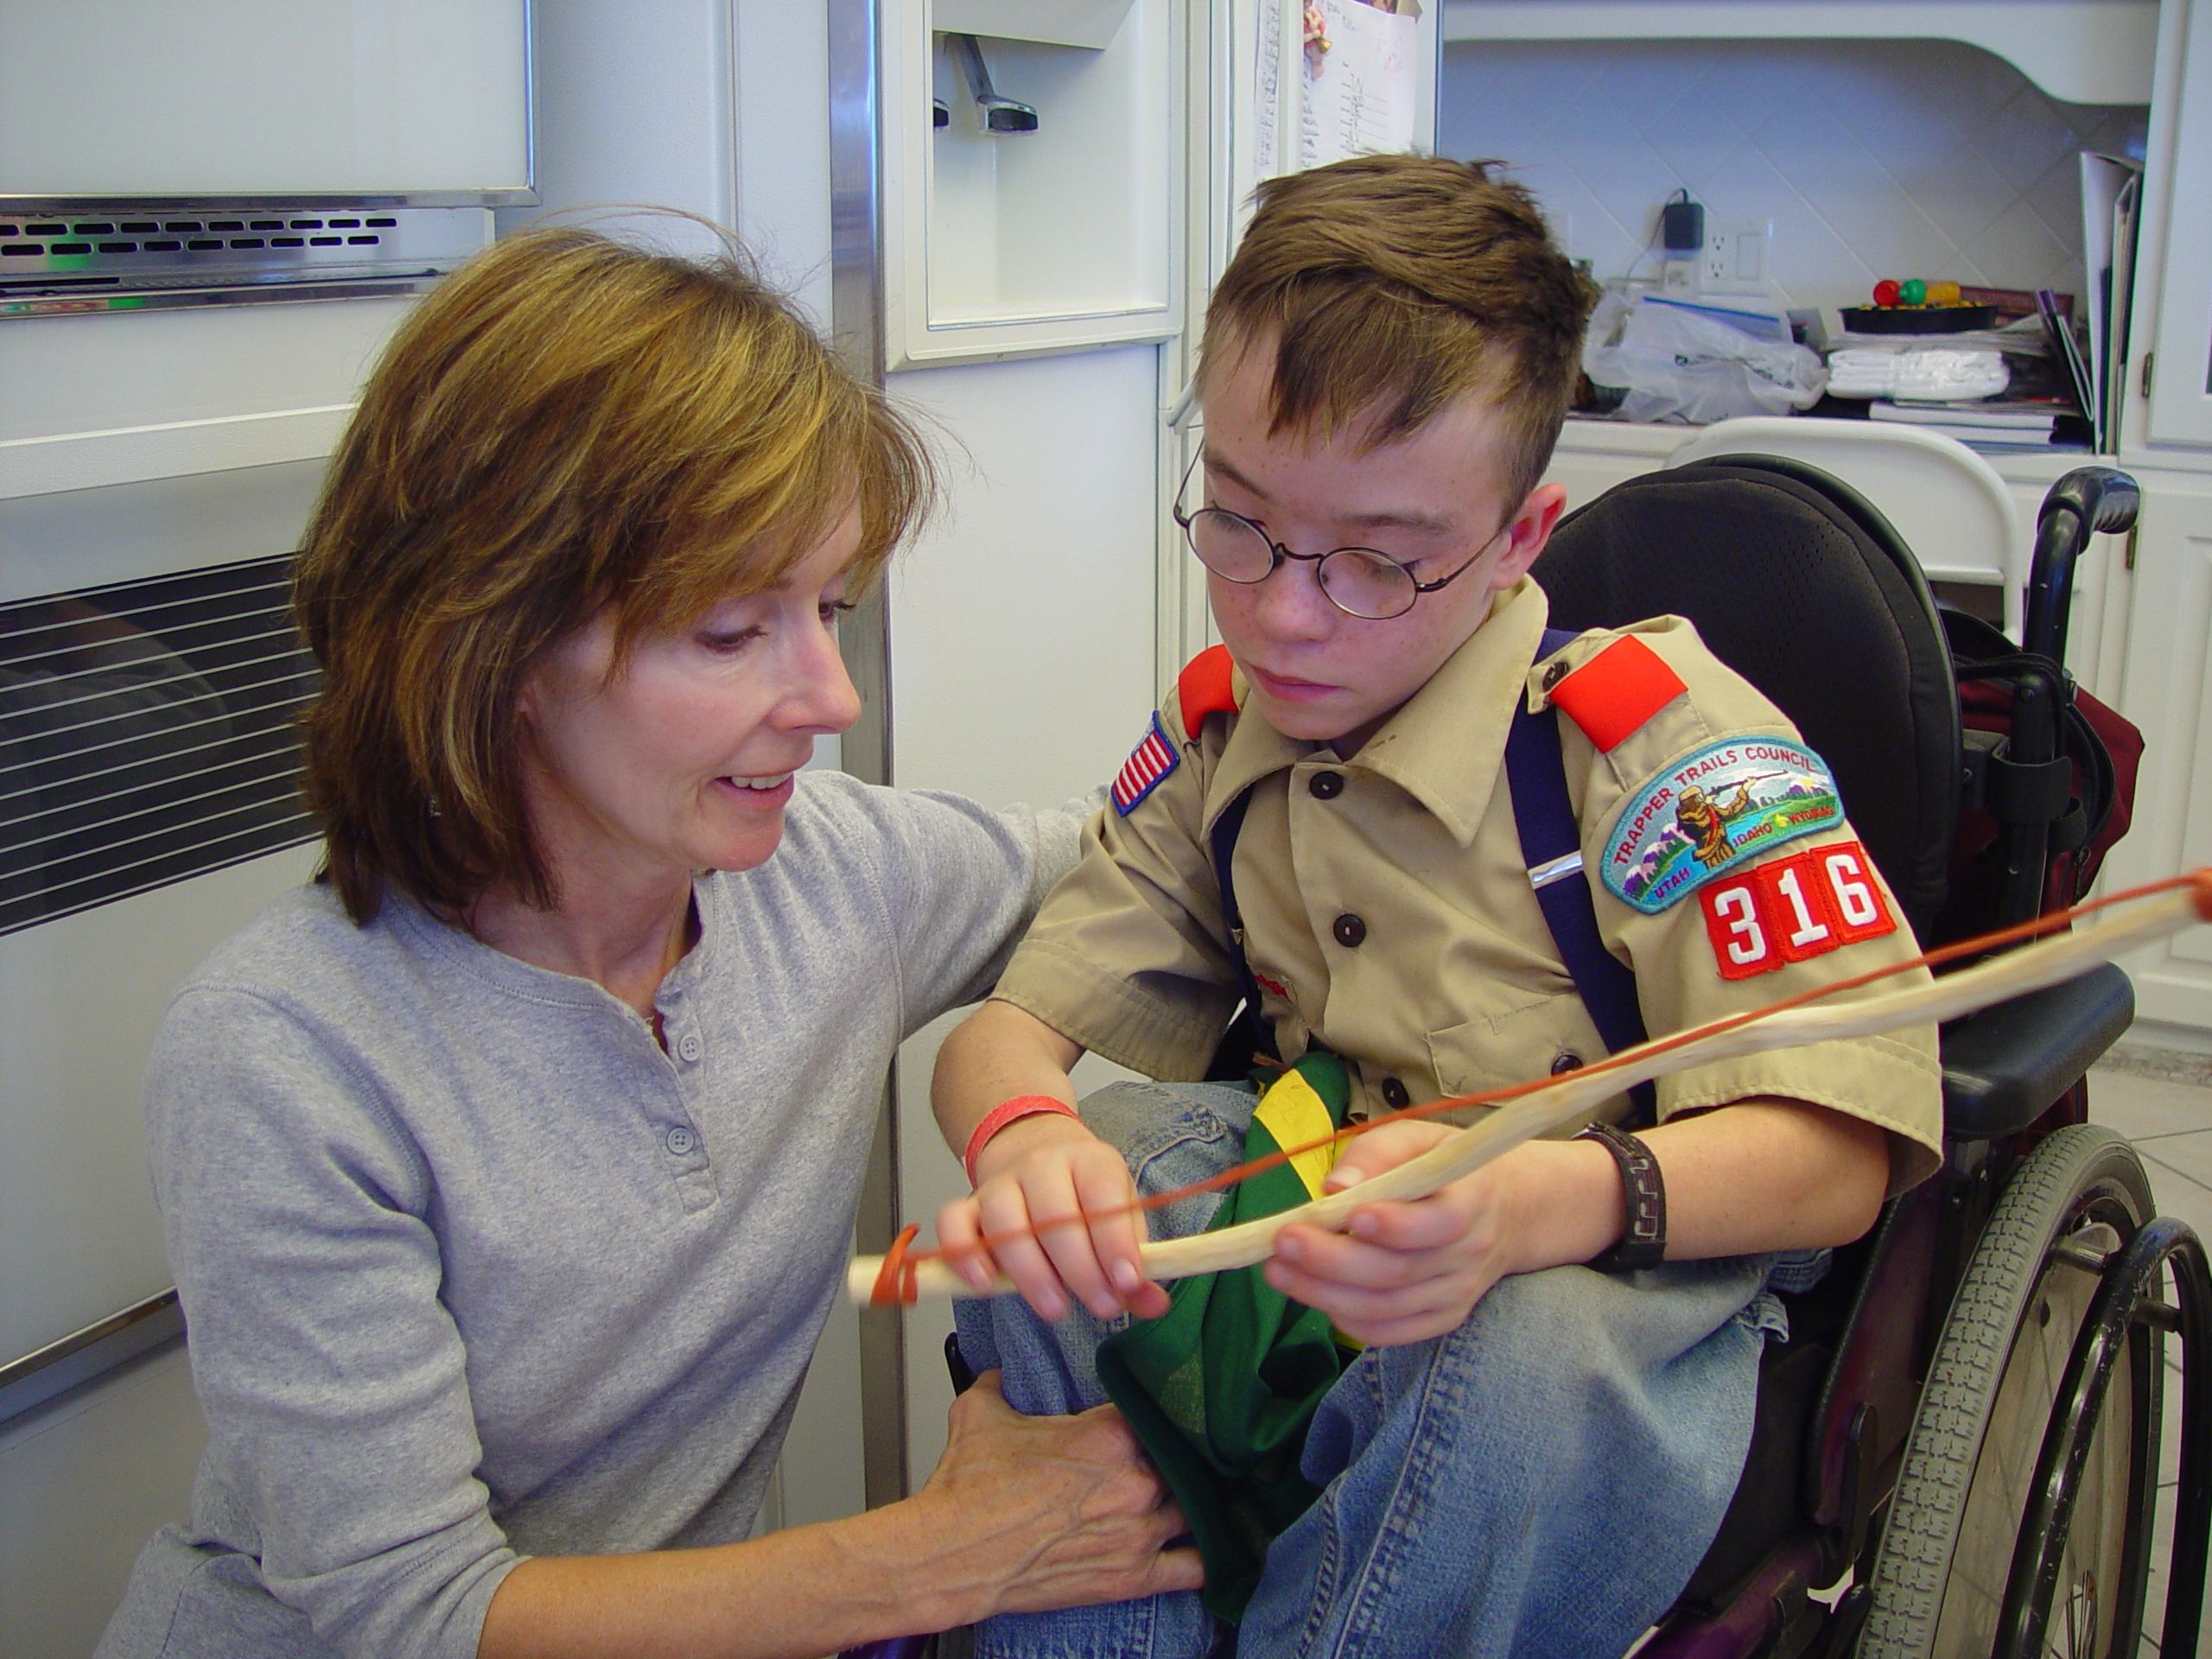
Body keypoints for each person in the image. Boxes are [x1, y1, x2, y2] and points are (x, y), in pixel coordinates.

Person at [95, 223, 1201, 1659]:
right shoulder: (288, 1054)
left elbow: (1134, 859)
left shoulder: (828, 875)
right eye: (734, 632)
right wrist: (946, 1556)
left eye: (831, 611)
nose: (828, 698)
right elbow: (419, 1613)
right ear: (489, 643)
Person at [929, 155, 1944, 1658]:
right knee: (1050, 1230)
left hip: (1603, 1246)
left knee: (1513, 1360)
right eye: (1239, 521)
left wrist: (1531, 1202)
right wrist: (1020, 1131)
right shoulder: (1227, 737)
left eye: (1383, 564)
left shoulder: (1656, 747)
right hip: (1324, 1208)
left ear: (1522, 539)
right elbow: (1011, 1028)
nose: (1280, 612)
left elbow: (1840, 1155)